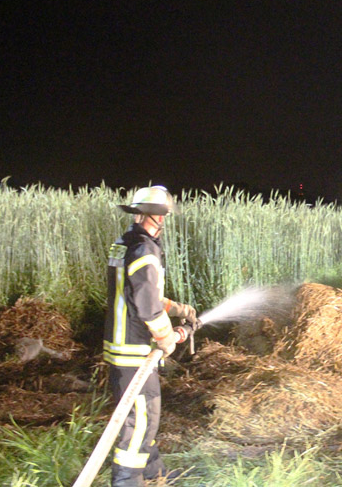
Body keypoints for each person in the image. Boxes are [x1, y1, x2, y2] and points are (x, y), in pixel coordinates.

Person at [103, 185, 197, 486]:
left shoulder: (125, 242)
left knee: (145, 414)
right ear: (153, 216)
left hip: (119, 343)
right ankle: (128, 479)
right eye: (163, 216)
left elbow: (138, 291)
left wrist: (177, 307)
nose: (164, 222)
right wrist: (167, 337)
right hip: (134, 347)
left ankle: (153, 471)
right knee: (142, 416)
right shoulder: (146, 248)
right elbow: (145, 304)